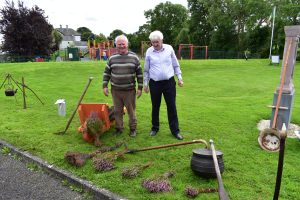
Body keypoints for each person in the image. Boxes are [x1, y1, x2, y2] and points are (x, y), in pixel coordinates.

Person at [144, 30, 184, 140]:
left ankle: (175, 131)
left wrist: (179, 78)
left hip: (169, 83)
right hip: (154, 84)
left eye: (157, 42)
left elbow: (176, 65)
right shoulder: (149, 52)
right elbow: (146, 70)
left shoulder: (169, 49)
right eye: (153, 42)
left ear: (162, 40)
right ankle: (155, 128)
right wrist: (145, 84)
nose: (155, 44)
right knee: (155, 106)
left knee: (172, 106)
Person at [102, 35, 143, 137]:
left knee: (131, 111)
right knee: (117, 111)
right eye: (119, 44)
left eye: (123, 44)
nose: (121, 46)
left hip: (129, 90)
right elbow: (106, 73)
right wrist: (104, 86)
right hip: (116, 90)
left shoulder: (134, 57)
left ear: (127, 44)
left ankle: (133, 129)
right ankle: (119, 128)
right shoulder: (112, 58)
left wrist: (140, 88)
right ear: (116, 45)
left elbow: (140, 74)